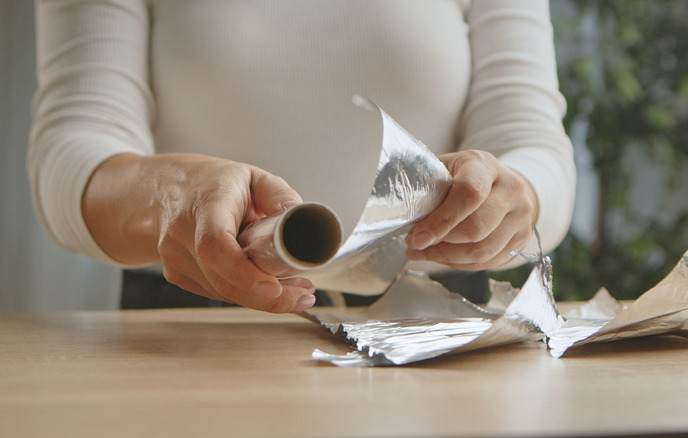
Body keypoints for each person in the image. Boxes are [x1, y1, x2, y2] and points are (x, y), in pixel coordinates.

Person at [28, 0, 576, 314]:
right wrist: (175, 193)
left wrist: (513, 197)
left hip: (431, 333)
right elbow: (71, 152)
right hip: (194, 330)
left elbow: (534, 144)